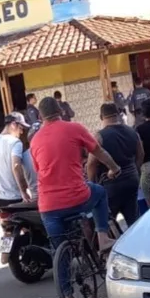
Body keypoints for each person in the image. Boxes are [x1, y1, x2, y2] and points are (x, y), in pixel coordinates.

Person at [30, 97, 120, 252]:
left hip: (48, 206)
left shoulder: (34, 140)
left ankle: (62, 265)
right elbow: (98, 151)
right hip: (76, 197)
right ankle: (103, 238)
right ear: (60, 111)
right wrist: (114, 168)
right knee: (99, 193)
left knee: (59, 253)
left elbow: (38, 169)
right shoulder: (74, 128)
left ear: (40, 117)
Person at [87, 103, 142, 228]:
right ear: (118, 114)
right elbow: (141, 154)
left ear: (101, 117)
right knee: (133, 220)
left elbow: (91, 164)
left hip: (111, 184)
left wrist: (92, 185)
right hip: (132, 180)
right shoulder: (132, 132)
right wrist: (135, 170)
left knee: (108, 223)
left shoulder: (99, 136)